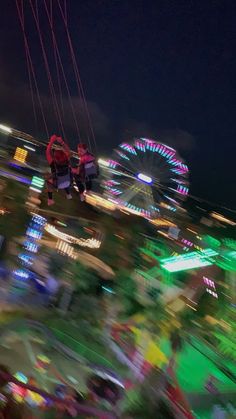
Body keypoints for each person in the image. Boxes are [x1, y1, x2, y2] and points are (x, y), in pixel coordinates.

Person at [46, 135, 72, 206]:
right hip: (67, 182)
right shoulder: (67, 160)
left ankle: (50, 199)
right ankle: (68, 194)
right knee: (64, 175)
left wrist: (52, 140)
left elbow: (48, 151)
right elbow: (69, 151)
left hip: (58, 184)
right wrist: (61, 142)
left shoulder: (52, 162)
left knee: (48, 181)